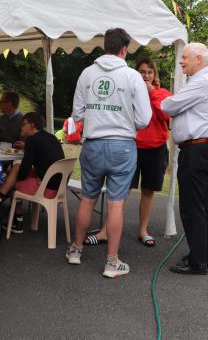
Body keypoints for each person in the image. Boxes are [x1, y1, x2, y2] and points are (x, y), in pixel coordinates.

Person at [66, 28, 152, 278]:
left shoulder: (86, 73)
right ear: (124, 49)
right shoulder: (133, 76)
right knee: (116, 204)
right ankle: (112, 263)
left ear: (105, 46)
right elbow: (145, 119)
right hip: (122, 146)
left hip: (92, 144)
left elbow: (77, 114)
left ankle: (75, 250)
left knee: (87, 199)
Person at [84, 58, 171, 248]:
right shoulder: (130, 91)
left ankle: (143, 231)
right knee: (121, 192)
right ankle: (105, 232)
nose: (146, 76)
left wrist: (153, 93)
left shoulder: (162, 93)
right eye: (142, 72)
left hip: (156, 149)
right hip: (131, 146)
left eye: (149, 72)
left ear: (155, 75)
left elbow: (166, 115)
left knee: (148, 191)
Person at [161, 43, 208, 275]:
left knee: (192, 207)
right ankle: (205, 255)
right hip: (203, 148)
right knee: (203, 205)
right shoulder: (202, 81)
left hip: (197, 150)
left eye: (185, 57)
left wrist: (160, 98)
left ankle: (197, 262)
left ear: (199, 58)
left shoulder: (202, 82)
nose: (181, 61)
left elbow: (170, 105)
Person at [0, 112, 65, 234]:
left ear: (32, 125)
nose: (21, 127)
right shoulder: (50, 137)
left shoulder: (33, 141)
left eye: (23, 124)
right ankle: (2, 198)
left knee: (16, 173)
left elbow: (23, 172)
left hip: (46, 188)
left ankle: (0, 201)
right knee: (15, 171)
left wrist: (11, 178)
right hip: (58, 187)